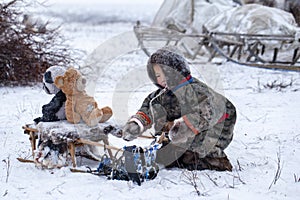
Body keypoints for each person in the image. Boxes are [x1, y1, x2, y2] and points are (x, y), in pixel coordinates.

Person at [122, 47, 236, 171]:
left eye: (164, 74)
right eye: (157, 76)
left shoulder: (197, 91)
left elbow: (206, 113)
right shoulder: (163, 94)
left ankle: (216, 160)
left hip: (217, 126)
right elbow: (149, 106)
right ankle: (173, 148)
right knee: (166, 155)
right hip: (182, 133)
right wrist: (137, 124)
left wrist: (181, 128)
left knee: (198, 154)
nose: (160, 79)